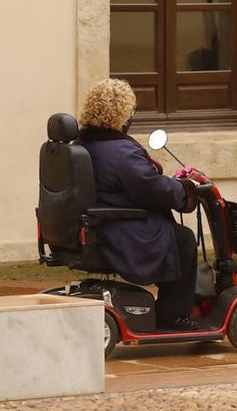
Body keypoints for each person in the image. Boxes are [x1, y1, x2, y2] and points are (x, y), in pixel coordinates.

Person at [74, 78, 205, 331]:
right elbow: (152, 189)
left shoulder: (82, 144)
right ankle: (173, 316)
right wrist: (186, 191)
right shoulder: (120, 152)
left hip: (99, 226)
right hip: (121, 228)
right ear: (121, 113)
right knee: (184, 239)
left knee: (176, 237)